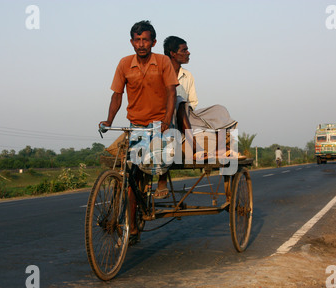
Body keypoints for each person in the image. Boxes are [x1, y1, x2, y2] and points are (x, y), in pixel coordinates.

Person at [100, 20, 179, 244]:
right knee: (132, 176)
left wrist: (165, 120)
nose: (141, 44)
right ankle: (132, 226)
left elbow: (171, 93)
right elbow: (117, 95)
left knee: (158, 161)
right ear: (132, 42)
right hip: (136, 124)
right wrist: (108, 120)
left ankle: (160, 181)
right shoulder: (125, 64)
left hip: (160, 123)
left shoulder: (163, 62)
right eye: (137, 40)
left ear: (153, 42)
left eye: (145, 40)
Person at [163, 36, 245, 162]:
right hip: (168, 115)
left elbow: (193, 101)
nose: (188, 53)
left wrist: (190, 115)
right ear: (173, 54)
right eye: (184, 50)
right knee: (178, 100)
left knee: (219, 109)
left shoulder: (187, 75)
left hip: (188, 114)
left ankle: (221, 148)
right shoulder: (161, 73)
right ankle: (196, 148)